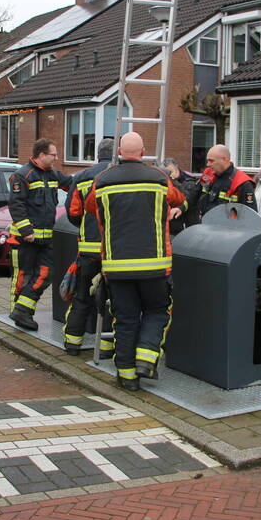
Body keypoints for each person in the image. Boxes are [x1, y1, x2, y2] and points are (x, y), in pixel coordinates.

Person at [85, 132, 185, 391]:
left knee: (125, 319)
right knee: (157, 311)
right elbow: (179, 199)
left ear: (119, 152)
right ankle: (146, 359)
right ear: (142, 153)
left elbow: (89, 208)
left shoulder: (102, 181)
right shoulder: (160, 178)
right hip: (155, 265)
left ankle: (127, 377)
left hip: (116, 267)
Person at [7, 138, 72, 330]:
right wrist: (26, 231)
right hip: (24, 240)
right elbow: (16, 205)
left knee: (46, 274)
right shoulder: (22, 175)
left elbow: (72, 183)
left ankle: (21, 310)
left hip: (45, 239)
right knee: (23, 278)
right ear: (42, 155)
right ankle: (19, 316)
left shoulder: (52, 174)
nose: (57, 158)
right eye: (53, 154)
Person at [62, 138, 115, 357]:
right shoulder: (119, 175)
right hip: (113, 252)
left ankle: (72, 343)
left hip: (87, 250)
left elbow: (72, 213)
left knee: (82, 296)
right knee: (112, 300)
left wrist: (85, 226)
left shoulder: (82, 177)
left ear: (97, 154)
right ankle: (105, 348)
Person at [186, 144, 256, 223]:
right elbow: (194, 194)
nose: (208, 164)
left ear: (224, 159)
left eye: (211, 161)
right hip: (206, 227)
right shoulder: (208, 174)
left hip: (228, 231)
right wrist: (180, 208)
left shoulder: (242, 183)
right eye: (208, 160)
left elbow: (251, 216)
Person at [162, 158, 196, 236]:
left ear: (176, 167)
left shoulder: (189, 180)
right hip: (172, 224)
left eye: (171, 172)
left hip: (187, 223)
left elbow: (189, 197)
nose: (170, 175)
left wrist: (172, 181)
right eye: (168, 173)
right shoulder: (165, 181)